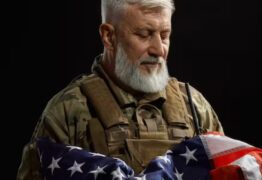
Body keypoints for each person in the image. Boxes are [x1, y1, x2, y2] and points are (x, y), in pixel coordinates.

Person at [17, 0, 224, 179]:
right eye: (144, 34)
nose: (159, 49)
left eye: (165, 35)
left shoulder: (194, 107)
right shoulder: (67, 111)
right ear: (108, 36)